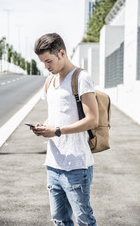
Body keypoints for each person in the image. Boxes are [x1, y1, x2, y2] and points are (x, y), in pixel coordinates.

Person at [32, 33, 98, 226]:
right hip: (53, 164)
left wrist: (58, 131)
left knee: (84, 220)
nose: (46, 66)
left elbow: (93, 120)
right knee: (59, 220)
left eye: (49, 61)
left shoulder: (81, 78)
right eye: (43, 62)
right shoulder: (49, 82)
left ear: (62, 53)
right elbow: (55, 116)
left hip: (76, 165)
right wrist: (44, 127)